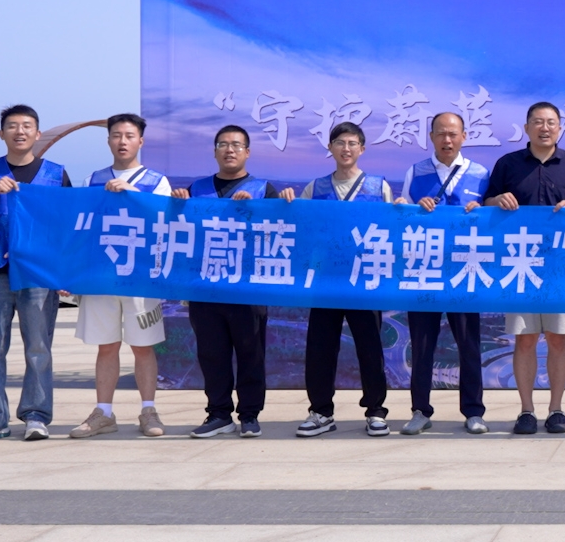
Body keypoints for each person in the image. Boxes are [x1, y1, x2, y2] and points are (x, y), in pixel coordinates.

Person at [0, 104, 72, 444]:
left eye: (26, 126)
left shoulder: (56, 174)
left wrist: (62, 273)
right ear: (1, 133)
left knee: (38, 347)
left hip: (37, 273)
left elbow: (65, 227)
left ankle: (36, 416)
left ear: (38, 133)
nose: (20, 131)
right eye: (12, 126)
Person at [483, 101, 565, 434]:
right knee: (525, 339)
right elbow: (486, 203)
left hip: (560, 267)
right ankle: (526, 411)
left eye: (550, 122)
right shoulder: (508, 164)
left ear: (560, 128)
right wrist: (498, 201)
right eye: (537, 122)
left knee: (559, 339)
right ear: (526, 128)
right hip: (520, 264)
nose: (544, 128)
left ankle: (557, 410)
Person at [280, 122, 394, 438]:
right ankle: (321, 411)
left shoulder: (378, 187)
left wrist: (400, 210)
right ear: (330, 148)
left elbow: (392, 228)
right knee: (320, 348)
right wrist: (287, 203)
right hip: (326, 282)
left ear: (362, 149)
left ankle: (375, 412)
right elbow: (299, 225)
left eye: (352, 143)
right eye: (340, 142)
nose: (346, 148)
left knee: (370, 348)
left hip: (364, 281)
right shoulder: (315, 188)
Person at [67, 114, 172, 439]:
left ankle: (148, 410)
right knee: (106, 346)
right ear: (108, 140)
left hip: (141, 278)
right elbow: (80, 226)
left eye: (129, 135)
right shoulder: (92, 179)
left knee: (143, 347)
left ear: (141, 140)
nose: (122, 141)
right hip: (102, 276)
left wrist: (132, 193)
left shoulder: (157, 181)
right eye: (116, 135)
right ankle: (104, 413)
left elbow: (166, 222)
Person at [172, 124, 278, 438]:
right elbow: (181, 231)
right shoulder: (197, 188)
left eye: (236, 145)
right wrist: (177, 205)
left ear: (247, 152)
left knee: (251, 353)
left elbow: (279, 232)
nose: (229, 150)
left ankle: (249, 415)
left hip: (247, 288)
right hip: (205, 287)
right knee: (212, 354)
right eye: (223, 144)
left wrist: (255, 211)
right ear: (215, 151)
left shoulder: (263, 190)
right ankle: (218, 414)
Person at [397, 111, 490, 436]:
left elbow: (492, 218)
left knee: (469, 344)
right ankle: (420, 410)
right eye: (440, 133)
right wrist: (411, 207)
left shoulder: (480, 174)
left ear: (464, 136)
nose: (447, 140)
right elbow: (402, 217)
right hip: (425, 268)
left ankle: (473, 411)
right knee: (422, 345)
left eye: (453, 134)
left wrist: (482, 211)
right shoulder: (416, 172)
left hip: (465, 269)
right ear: (431, 137)